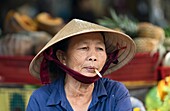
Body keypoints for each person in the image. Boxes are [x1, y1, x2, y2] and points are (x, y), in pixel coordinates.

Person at [26, 19, 136, 111]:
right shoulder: (40, 100)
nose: (93, 56)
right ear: (62, 57)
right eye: (84, 48)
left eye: (99, 49)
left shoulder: (115, 93)